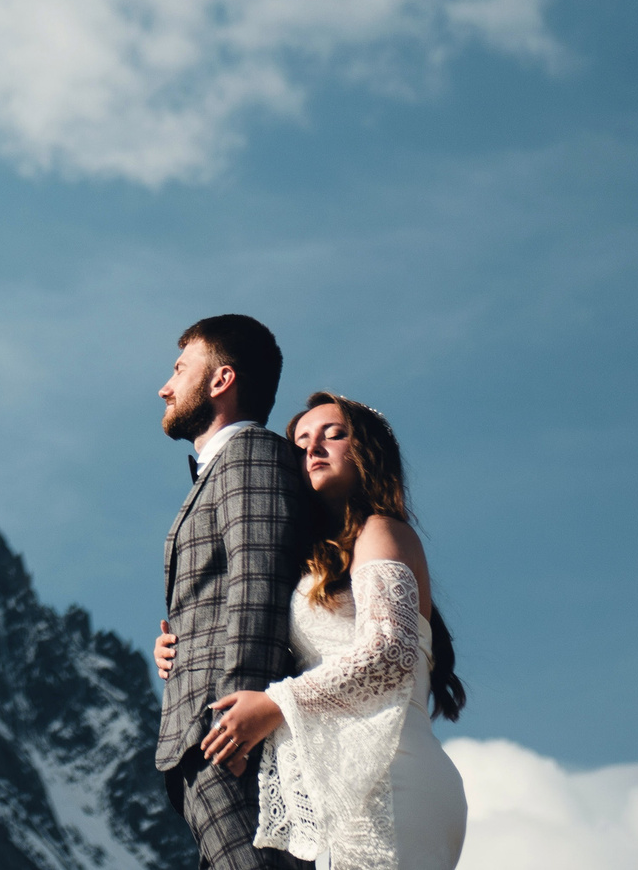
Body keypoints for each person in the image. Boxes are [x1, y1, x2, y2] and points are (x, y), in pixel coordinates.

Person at [197, 394, 470, 870]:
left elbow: (389, 654)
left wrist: (275, 704)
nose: (313, 449)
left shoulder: (382, 531)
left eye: (333, 435)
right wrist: (181, 647)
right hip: (347, 783)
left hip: (393, 775)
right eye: (300, 442)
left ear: (368, 451)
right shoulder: (314, 562)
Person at [152, 315, 316, 869]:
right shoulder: (223, 466)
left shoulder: (251, 454)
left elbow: (259, 580)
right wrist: (176, 641)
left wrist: (237, 718)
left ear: (221, 380)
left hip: (225, 734)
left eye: (179, 369)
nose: (165, 387)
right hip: (206, 734)